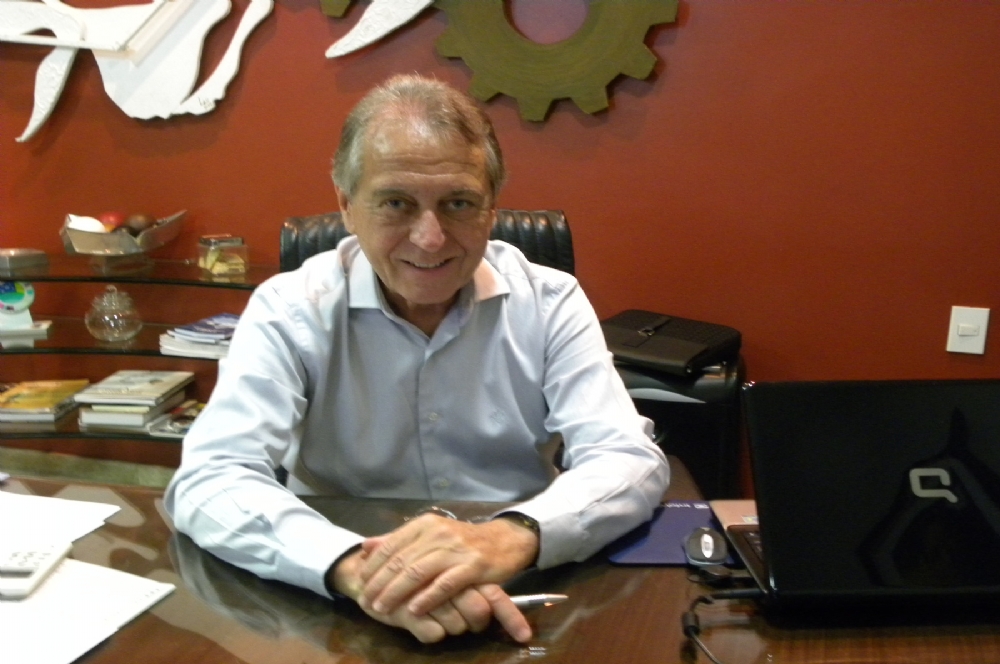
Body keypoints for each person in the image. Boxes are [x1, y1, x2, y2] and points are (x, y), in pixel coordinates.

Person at [165, 73, 669, 645]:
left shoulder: (550, 301)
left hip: (518, 581)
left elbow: (626, 456)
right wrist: (361, 570)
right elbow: (210, 477)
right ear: (347, 205)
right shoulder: (289, 309)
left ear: (491, 209)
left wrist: (510, 536)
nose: (429, 238)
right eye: (396, 203)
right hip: (338, 600)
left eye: (458, 203)